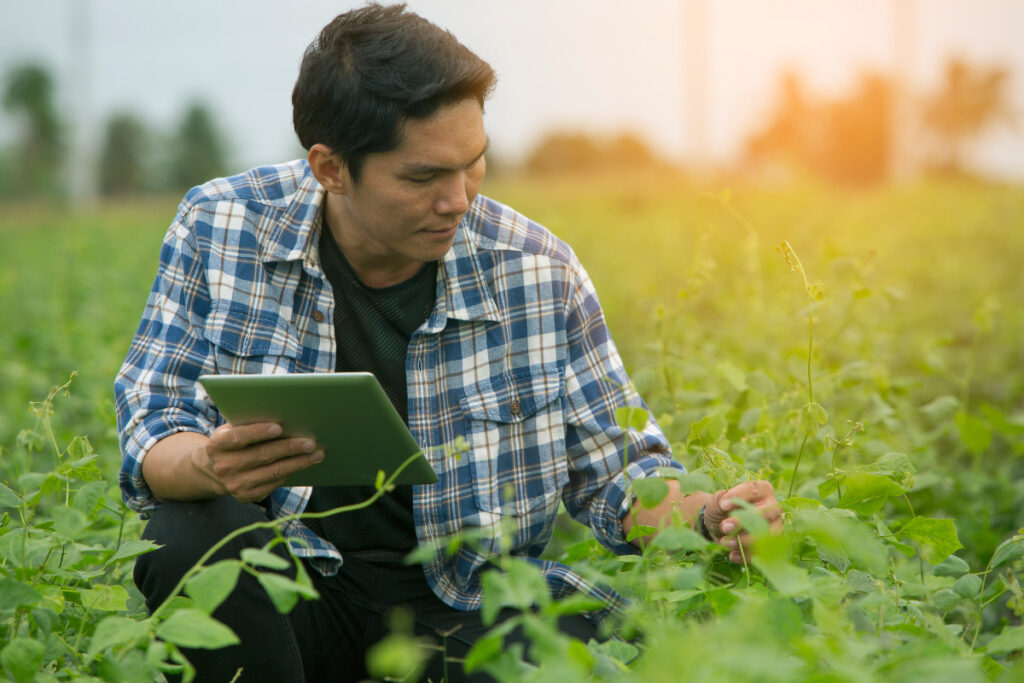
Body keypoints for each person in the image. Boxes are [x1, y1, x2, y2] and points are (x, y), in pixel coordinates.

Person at [115, 4, 782, 681]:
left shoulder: (535, 272)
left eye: (473, 164)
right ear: (330, 168)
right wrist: (208, 464)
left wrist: (710, 516)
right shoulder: (223, 228)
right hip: (296, 592)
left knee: (599, 646)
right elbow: (153, 420)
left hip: (467, 609)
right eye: (423, 177)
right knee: (183, 534)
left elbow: (618, 474)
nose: (458, 199)